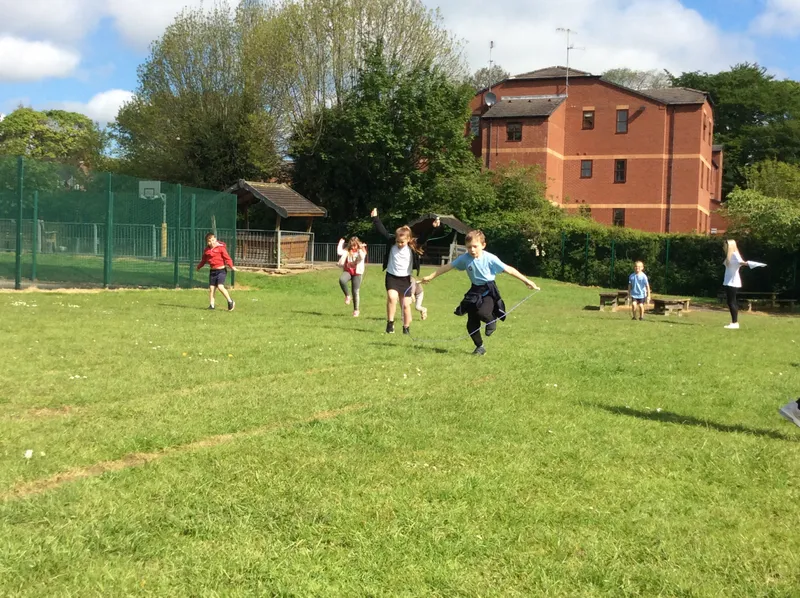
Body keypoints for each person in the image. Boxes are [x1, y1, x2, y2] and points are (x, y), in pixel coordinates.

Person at [421, 229, 539, 355]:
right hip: (474, 291)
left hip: (489, 290)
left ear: (483, 245)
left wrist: (527, 281)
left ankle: (492, 320)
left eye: (475, 246)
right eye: (469, 247)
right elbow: (448, 267)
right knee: (471, 324)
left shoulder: (490, 258)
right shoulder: (464, 258)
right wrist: (430, 276)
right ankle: (480, 347)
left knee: (482, 312)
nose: (472, 250)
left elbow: (509, 270)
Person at [371, 208, 439, 334]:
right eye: (397, 241)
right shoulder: (392, 243)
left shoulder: (413, 246)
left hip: (406, 279)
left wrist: (433, 227)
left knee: (406, 305)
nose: (399, 244)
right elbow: (382, 232)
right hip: (392, 276)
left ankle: (406, 328)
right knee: (392, 298)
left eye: (402, 242)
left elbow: (424, 238)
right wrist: (375, 218)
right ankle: (390, 324)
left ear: (408, 239)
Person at [196, 233, 237, 311]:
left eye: (213, 240)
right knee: (211, 288)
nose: (211, 242)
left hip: (221, 271)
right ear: (207, 242)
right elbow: (203, 260)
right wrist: (199, 267)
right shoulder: (206, 250)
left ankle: (230, 301)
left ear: (215, 239)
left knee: (220, 286)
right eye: (209, 241)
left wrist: (232, 266)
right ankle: (212, 305)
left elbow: (227, 258)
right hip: (213, 271)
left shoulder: (221, 248)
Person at [337, 236, 367, 317]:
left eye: (354, 245)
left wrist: (360, 248)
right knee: (342, 280)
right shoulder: (347, 251)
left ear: (357, 245)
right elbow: (339, 252)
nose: (353, 247)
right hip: (348, 271)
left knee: (355, 291)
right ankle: (347, 295)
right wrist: (341, 242)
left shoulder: (360, 251)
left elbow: (362, 257)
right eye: (351, 245)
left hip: (357, 273)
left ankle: (356, 310)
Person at [722, 239, 749, 329]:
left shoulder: (734, 254)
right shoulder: (729, 256)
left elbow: (741, 262)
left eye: (725, 245)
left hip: (733, 282)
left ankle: (735, 323)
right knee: (730, 301)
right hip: (728, 281)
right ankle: (734, 322)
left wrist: (749, 264)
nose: (723, 247)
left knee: (731, 302)